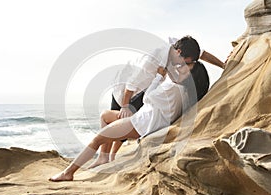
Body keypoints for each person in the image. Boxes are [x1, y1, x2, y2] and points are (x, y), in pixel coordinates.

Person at [49, 38, 210, 182]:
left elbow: (148, 98)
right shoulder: (183, 91)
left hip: (141, 123)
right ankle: (104, 158)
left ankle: (68, 172)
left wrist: (159, 78)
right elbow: (198, 53)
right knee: (105, 116)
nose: (180, 67)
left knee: (97, 139)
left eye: (185, 68)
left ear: (190, 78)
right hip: (146, 118)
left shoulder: (173, 87)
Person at [88, 36, 224, 168]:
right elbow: (131, 85)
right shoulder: (153, 60)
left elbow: (203, 54)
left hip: (147, 92)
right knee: (117, 121)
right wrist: (125, 105)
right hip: (126, 91)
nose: (186, 65)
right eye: (187, 62)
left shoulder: (182, 48)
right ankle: (105, 157)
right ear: (179, 53)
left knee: (121, 127)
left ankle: (110, 157)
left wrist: (224, 66)